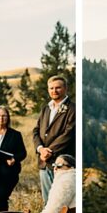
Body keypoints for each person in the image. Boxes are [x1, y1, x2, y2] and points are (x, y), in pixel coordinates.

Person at [32, 75, 76, 203]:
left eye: (58, 88)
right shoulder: (45, 109)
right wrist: (40, 149)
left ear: (65, 88)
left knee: (62, 202)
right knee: (48, 201)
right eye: (51, 88)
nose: (54, 91)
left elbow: (68, 134)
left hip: (63, 163)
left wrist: (48, 151)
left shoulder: (73, 109)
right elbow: (36, 131)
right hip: (44, 162)